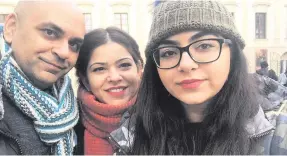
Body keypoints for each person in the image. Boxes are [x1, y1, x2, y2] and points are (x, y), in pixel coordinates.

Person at [109, 0, 287, 155]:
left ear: (232, 55)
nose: (186, 64)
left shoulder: (277, 136)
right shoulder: (132, 139)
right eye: (169, 52)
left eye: (204, 46)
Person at [0, 0, 85, 155]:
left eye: (74, 45)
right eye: (50, 33)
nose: (64, 52)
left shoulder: (75, 112)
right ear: (11, 28)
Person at [74, 27, 143, 155]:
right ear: (85, 80)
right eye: (99, 69)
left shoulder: (167, 116)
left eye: (124, 65)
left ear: (139, 69)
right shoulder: (66, 127)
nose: (115, 77)